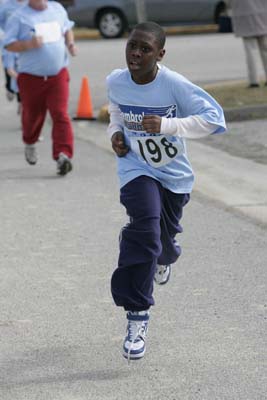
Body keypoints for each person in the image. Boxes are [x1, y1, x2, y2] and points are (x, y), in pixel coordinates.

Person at [106, 21, 226, 361]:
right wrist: (114, 134)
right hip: (135, 168)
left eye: (145, 49)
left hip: (173, 175)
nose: (136, 53)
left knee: (164, 243)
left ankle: (164, 256)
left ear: (160, 54)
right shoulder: (116, 80)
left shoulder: (173, 84)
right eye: (132, 46)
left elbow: (215, 118)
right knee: (144, 229)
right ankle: (137, 316)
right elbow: (116, 109)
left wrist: (170, 125)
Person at [3, 0, 77, 175]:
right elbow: (8, 44)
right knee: (32, 116)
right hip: (30, 77)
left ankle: (63, 155)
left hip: (57, 74)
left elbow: (67, 29)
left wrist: (71, 44)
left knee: (60, 114)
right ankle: (30, 141)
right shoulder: (19, 17)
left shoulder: (57, 9)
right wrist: (28, 44)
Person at [226, 0, 267, 88]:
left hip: (243, 16)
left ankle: (253, 80)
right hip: (262, 14)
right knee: (265, 49)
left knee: (250, 51)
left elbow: (228, 3)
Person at [0, 0, 26, 103]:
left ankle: (22, 100)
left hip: (24, 43)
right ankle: (9, 87)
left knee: (23, 70)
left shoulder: (30, 4)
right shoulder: (6, 5)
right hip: (9, 43)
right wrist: (4, 35)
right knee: (9, 67)